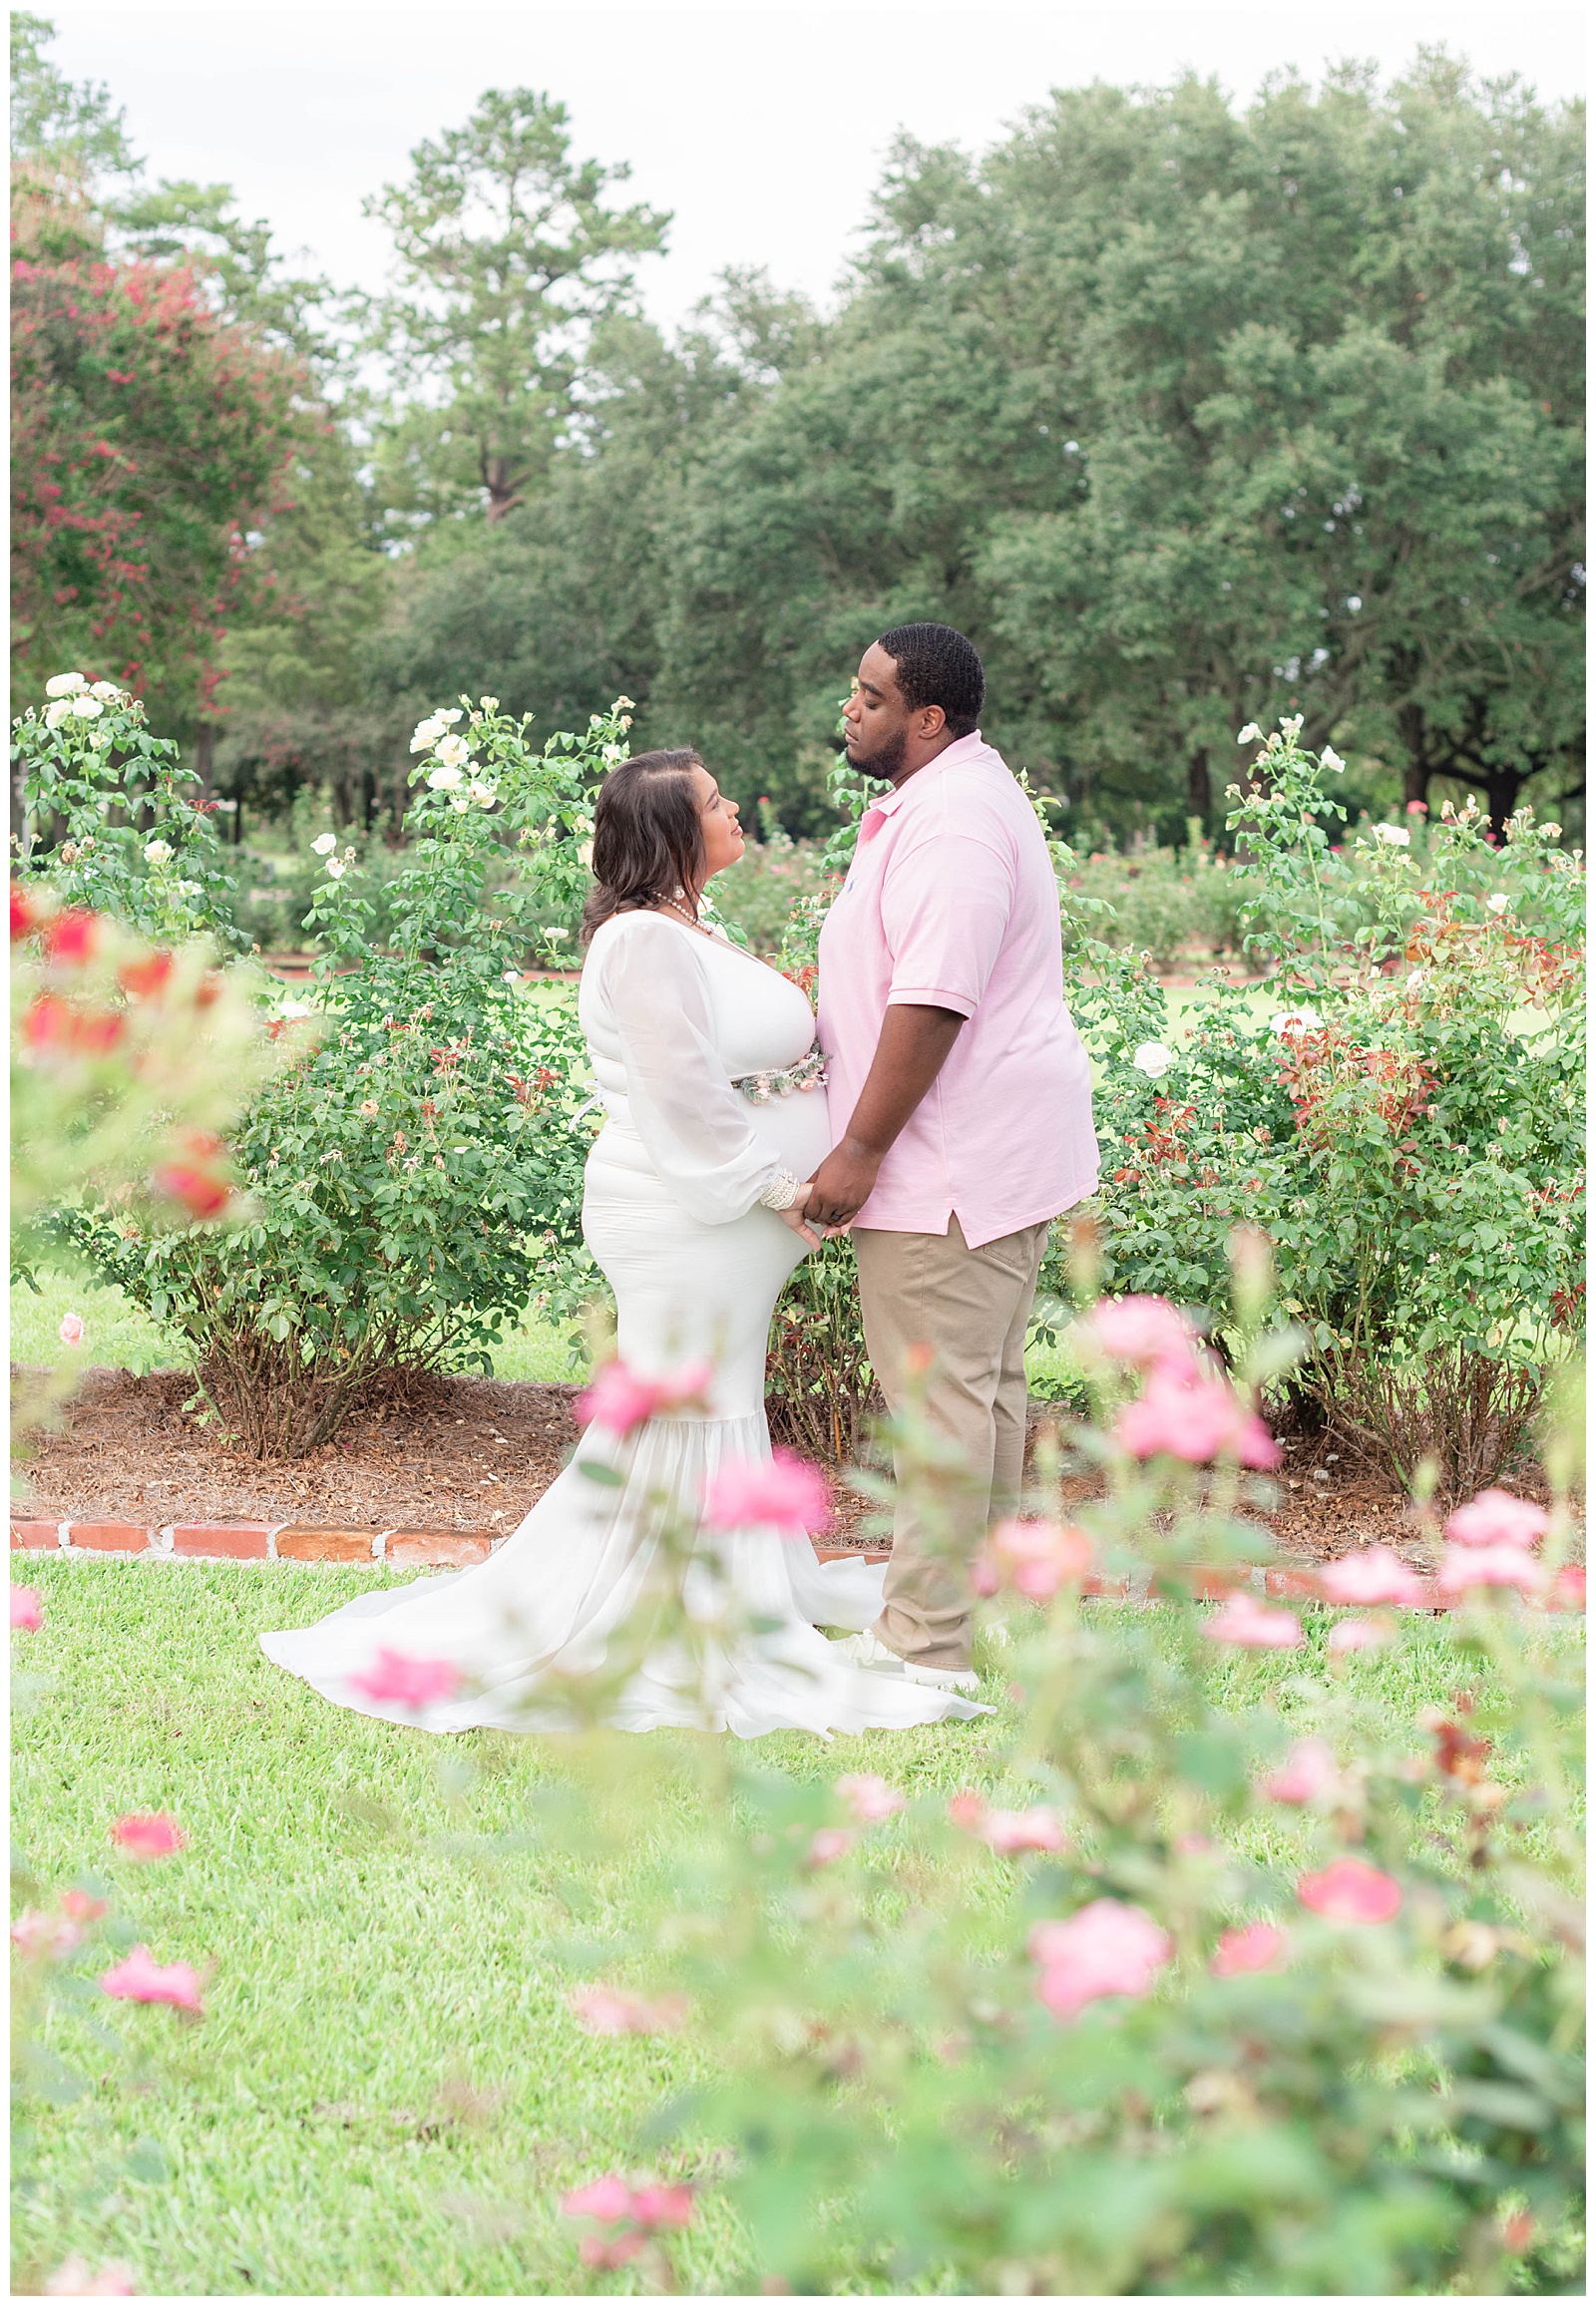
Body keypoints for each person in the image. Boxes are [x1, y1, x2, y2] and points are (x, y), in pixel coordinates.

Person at [260, 748, 984, 1738]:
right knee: (682, 1401)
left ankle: (723, 1584)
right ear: (672, 834)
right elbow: (678, 1093)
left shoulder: (685, 927)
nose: (736, 808)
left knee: (714, 1395)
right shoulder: (643, 942)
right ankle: (660, 1606)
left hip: (719, 1223)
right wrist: (783, 1188)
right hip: (686, 1218)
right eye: (716, 801)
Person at [809, 623, 1098, 1693]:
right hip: (982, 1153)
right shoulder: (944, 800)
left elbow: (932, 999)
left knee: (941, 1404)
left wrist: (859, 1148)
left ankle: (925, 1648)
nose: (850, 708)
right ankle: (970, 1618)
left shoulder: (958, 825)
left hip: (949, 1164)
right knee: (978, 1395)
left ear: (926, 717)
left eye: (871, 696)